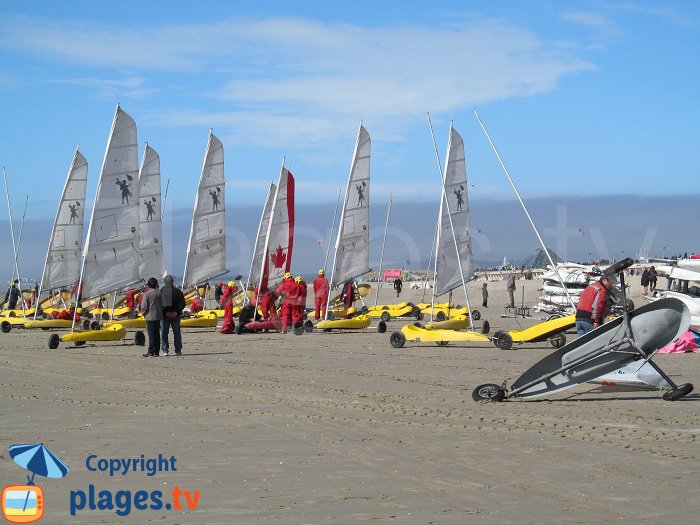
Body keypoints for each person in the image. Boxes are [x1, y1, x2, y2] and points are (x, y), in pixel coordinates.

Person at [160, 275, 185, 356]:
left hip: (170, 315)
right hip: (171, 315)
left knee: (165, 333)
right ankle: (177, 350)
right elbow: (182, 304)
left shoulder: (163, 291)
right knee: (175, 333)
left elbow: (182, 303)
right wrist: (175, 312)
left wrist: (174, 312)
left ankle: (165, 350)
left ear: (165, 282)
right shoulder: (177, 291)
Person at [139, 277, 162, 357]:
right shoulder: (160, 293)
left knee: (151, 335)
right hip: (158, 316)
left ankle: (151, 351)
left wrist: (143, 313)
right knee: (157, 334)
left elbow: (144, 306)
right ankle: (156, 351)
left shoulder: (147, 294)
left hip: (150, 316)